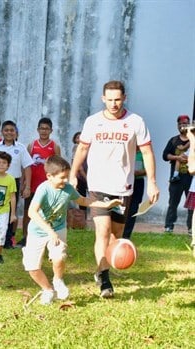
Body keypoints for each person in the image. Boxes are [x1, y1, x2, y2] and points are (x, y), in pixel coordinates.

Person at [70, 80, 159, 298]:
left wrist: (153, 182)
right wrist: (72, 174)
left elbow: (147, 153)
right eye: (109, 100)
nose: (113, 104)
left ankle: (105, 266)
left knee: (116, 235)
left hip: (123, 188)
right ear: (103, 99)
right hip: (98, 186)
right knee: (102, 232)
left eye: (117, 99)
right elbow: (82, 148)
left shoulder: (135, 122)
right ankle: (104, 278)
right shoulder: (93, 122)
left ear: (124, 98)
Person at [25, 155, 121, 305]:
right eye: (62, 177)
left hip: (58, 229)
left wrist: (106, 205)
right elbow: (32, 212)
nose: (66, 181)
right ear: (49, 176)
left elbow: (83, 200)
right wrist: (49, 231)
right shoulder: (43, 189)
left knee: (59, 257)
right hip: (38, 231)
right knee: (32, 267)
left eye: (67, 177)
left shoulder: (68, 189)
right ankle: (48, 290)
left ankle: (58, 280)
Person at [0, 120, 33, 249]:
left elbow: (27, 167)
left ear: (16, 132)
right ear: (2, 132)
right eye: (6, 130)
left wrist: (27, 186)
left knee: (10, 212)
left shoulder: (20, 148)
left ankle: (7, 241)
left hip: (12, 183)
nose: (9, 133)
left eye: (12, 130)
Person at [19, 117, 61, 247]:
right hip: (32, 185)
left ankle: (47, 237)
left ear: (51, 130)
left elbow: (59, 166)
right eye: (42, 128)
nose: (44, 131)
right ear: (38, 130)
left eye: (46, 129)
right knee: (28, 212)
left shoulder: (54, 146)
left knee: (48, 213)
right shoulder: (31, 145)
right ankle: (25, 237)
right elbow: (25, 166)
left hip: (47, 186)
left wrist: (57, 185)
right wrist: (23, 183)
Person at [162, 115, 193, 234]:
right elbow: (165, 155)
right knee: (173, 203)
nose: (182, 126)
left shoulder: (193, 139)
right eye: (180, 124)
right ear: (177, 126)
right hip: (176, 178)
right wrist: (177, 158)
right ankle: (169, 227)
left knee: (191, 205)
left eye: (185, 124)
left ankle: (191, 228)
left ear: (189, 125)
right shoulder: (173, 140)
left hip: (191, 178)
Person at [122, 147, 146, 239]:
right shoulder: (126, 151)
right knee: (122, 207)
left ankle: (126, 234)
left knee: (133, 208)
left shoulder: (143, 153)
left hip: (138, 182)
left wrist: (138, 172)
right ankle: (118, 230)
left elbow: (147, 169)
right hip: (125, 182)